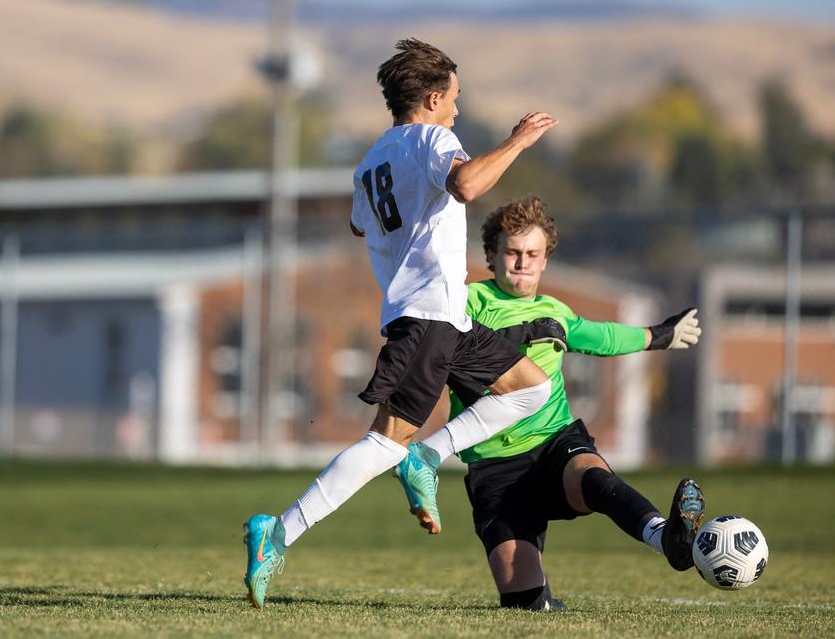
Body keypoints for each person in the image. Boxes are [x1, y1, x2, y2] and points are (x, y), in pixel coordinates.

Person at [242, 38, 559, 608]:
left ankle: (427, 456)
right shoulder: (435, 138)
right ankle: (279, 531)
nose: (458, 110)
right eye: (455, 99)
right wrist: (519, 140)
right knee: (383, 443)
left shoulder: (371, 161)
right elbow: (465, 185)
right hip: (428, 315)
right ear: (434, 99)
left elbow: (361, 226)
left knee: (531, 389)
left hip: (448, 315)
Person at [394, 195, 705, 611]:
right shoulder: (465, 304)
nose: (522, 262)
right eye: (512, 253)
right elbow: (426, 342)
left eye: (532, 254)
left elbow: (602, 338)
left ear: (544, 261)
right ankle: (534, 592)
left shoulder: (554, 310)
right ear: (492, 254)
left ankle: (666, 538)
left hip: (554, 443)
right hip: (494, 470)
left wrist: (659, 335)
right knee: (526, 604)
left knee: (591, 476)